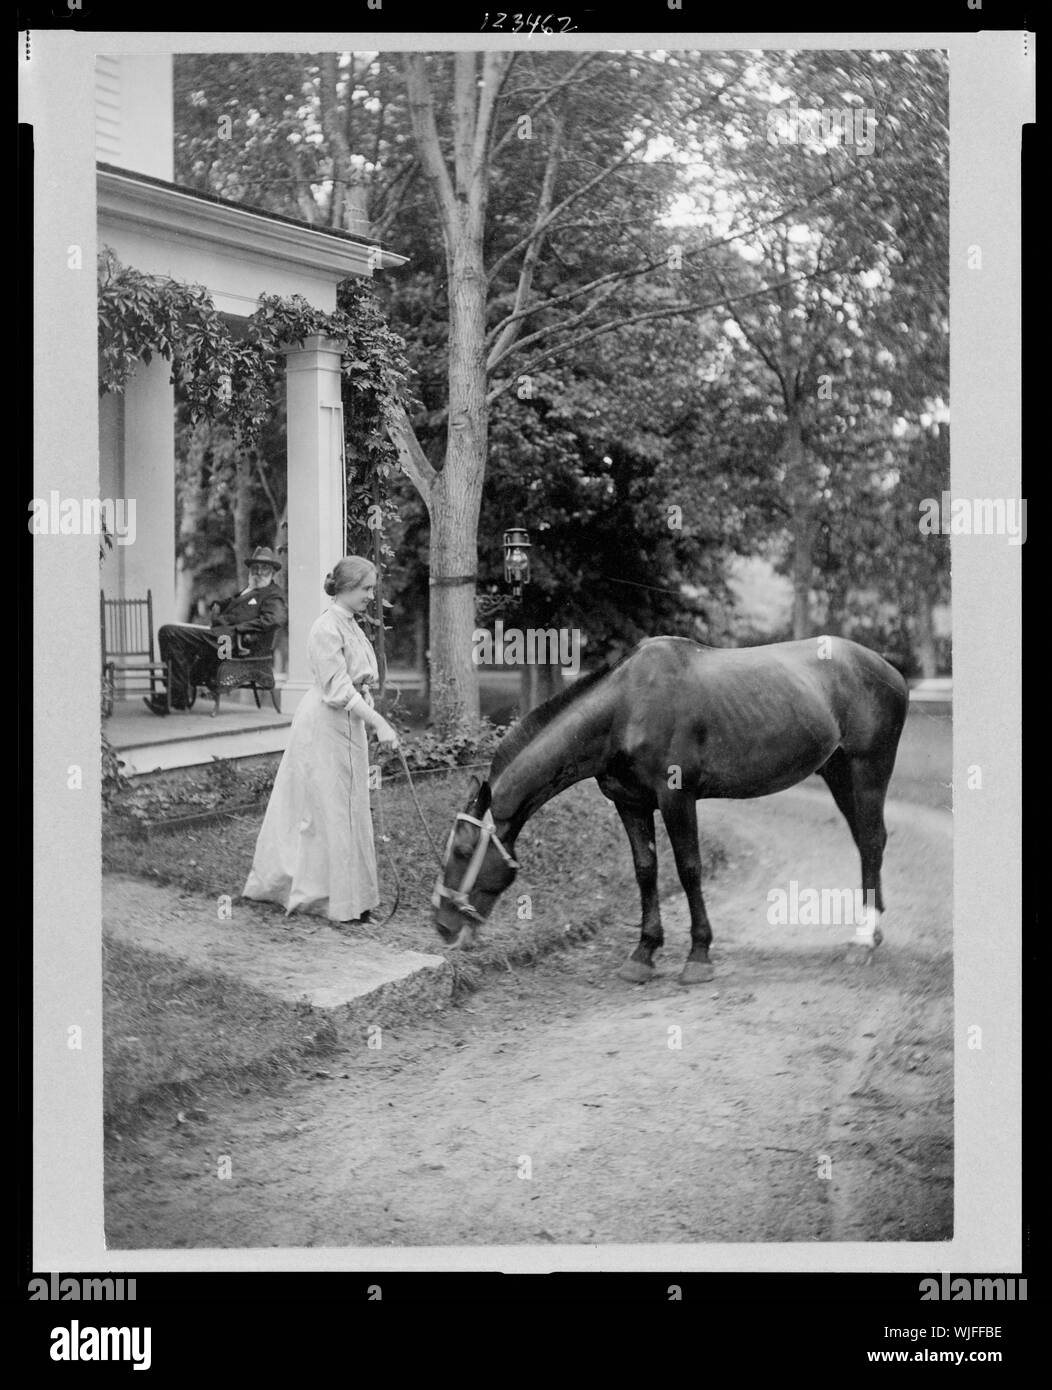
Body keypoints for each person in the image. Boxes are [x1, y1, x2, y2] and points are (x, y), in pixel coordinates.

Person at [241, 556, 400, 925]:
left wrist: (368, 703)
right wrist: (379, 723)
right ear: (344, 587)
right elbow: (337, 689)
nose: (370, 596)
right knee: (326, 808)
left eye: (372, 589)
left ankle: (351, 898)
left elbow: (356, 679)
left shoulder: (351, 624)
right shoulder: (325, 628)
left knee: (346, 806)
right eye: (366, 589)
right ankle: (327, 898)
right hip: (325, 724)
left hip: (346, 725)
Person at [145, 547, 287, 713]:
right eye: (255, 568)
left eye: (264, 568)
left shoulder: (272, 594)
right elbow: (233, 602)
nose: (259, 572)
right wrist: (219, 605)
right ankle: (175, 696)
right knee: (169, 634)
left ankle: (176, 696)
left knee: (171, 632)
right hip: (220, 636)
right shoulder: (250, 590)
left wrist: (239, 628)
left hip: (232, 643)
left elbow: (274, 620)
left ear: (272, 572)